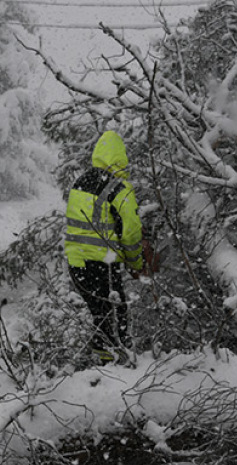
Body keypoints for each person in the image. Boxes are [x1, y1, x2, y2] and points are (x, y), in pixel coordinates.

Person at [63, 130, 150, 365]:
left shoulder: (80, 183)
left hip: (76, 263)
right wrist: (136, 263)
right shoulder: (119, 189)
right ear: (120, 158)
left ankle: (103, 361)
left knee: (101, 315)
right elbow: (130, 232)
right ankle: (116, 366)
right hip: (101, 264)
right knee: (116, 316)